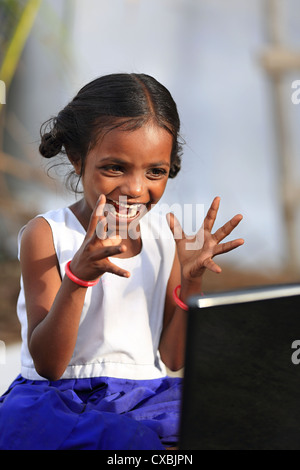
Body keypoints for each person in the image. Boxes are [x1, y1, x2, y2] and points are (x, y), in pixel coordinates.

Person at [0, 73, 244, 450]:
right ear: (77, 158)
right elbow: (49, 365)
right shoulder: (47, 234)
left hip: (147, 398)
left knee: (239, 418)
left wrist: (191, 283)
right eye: (115, 167)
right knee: (129, 442)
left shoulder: (165, 237)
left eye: (155, 172)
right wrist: (78, 277)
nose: (135, 188)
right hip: (61, 401)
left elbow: (173, 357)